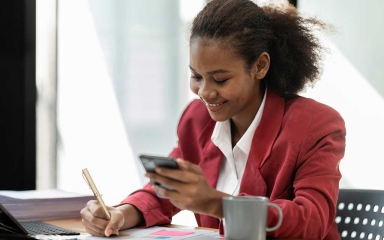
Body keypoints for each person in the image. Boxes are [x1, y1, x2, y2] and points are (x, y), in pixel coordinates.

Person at [80, 0, 346, 239]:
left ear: (260, 66)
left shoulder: (315, 125)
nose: (205, 93)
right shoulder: (197, 120)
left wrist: (218, 205)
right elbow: (165, 192)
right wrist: (121, 214)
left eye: (220, 79)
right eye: (197, 77)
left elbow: (312, 221)